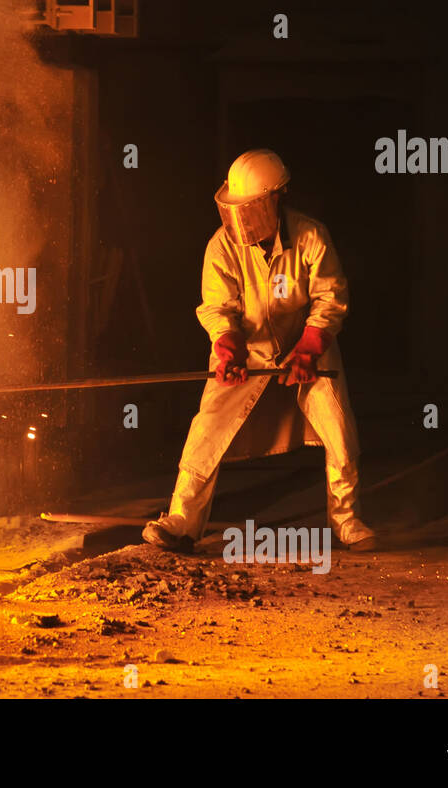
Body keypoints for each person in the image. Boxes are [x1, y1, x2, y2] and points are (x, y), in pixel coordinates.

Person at [142, 149, 378, 553]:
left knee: (338, 427)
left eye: (251, 209)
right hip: (249, 350)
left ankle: (346, 519)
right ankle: (182, 520)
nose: (243, 221)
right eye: (237, 210)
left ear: (276, 199)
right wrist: (228, 348)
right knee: (208, 427)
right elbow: (218, 308)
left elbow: (330, 298)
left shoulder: (311, 237)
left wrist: (309, 349)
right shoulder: (221, 246)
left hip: (307, 344)